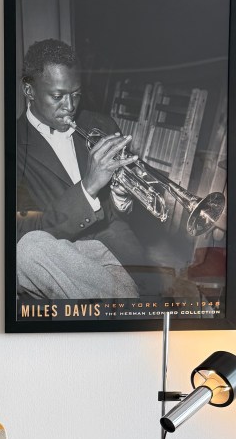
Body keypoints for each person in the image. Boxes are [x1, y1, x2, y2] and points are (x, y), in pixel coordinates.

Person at [16, 38, 145, 301]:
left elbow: (120, 218)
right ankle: (123, 307)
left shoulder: (101, 125)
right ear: (29, 91)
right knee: (27, 250)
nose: (70, 106)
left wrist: (121, 196)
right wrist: (89, 187)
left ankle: (118, 304)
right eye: (58, 96)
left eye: (76, 94)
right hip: (55, 260)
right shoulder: (10, 147)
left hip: (114, 256)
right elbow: (24, 230)